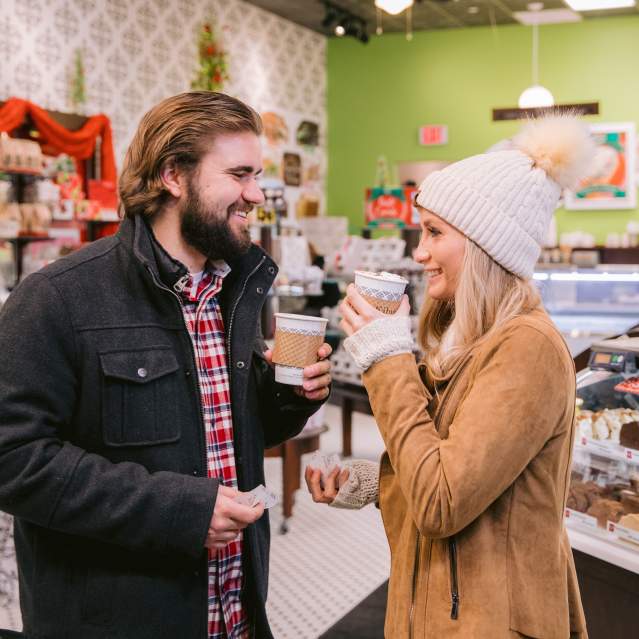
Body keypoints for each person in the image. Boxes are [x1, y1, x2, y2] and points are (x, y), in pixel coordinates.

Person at [0, 91, 331, 639]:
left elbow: (222, 431)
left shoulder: (232, 291)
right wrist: (178, 508)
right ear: (173, 175)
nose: (256, 195)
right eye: (240, 174)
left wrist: (286, 396)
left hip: (235, 609)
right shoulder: (56, 298)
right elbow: (13, 458)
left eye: (258, 176)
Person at [306, 115, 594, 638]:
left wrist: (386, 359)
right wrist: (377, 482)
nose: (419, 252)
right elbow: (450, 467)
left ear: (486, 247)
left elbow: (442, 504)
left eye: (435, 232)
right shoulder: (467, 341)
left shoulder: (527, 347)